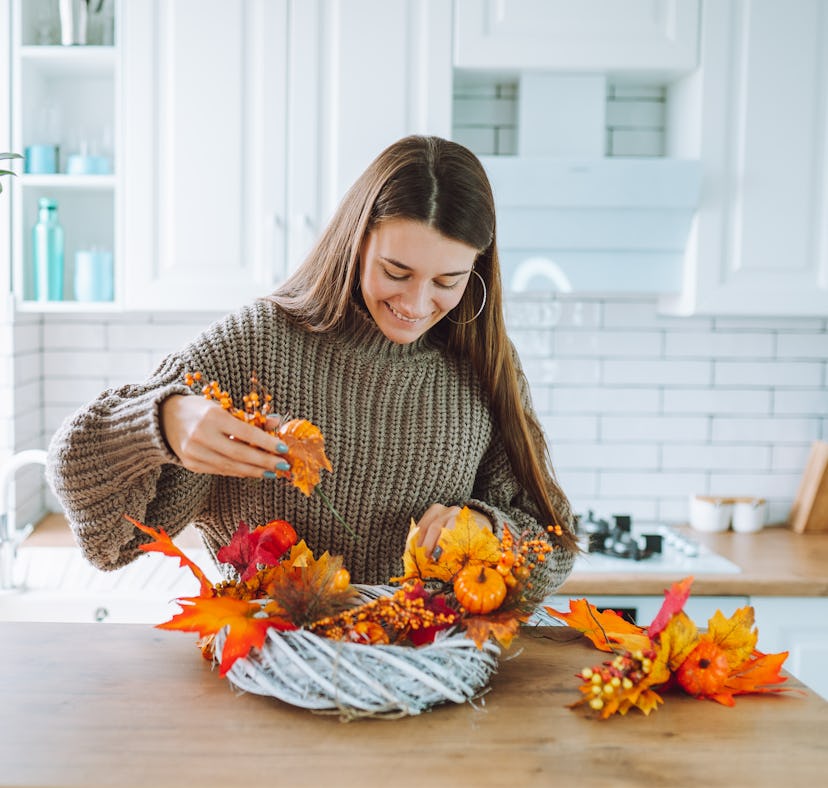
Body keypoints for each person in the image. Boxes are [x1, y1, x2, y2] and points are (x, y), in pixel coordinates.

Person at [46, 135, 577, 601]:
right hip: (272, 676)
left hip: (429, 680)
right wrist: (159, 423)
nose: (417, 304)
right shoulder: (255, 344)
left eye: (447, 282)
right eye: (397, 271)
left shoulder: (483, 365)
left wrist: (486, 528)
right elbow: (101, 526)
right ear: (356, 243)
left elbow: (554, 540)